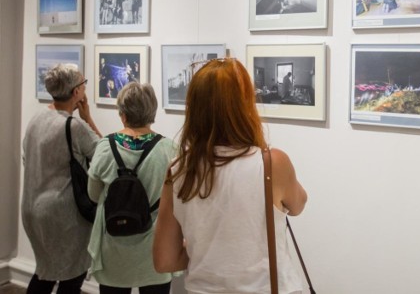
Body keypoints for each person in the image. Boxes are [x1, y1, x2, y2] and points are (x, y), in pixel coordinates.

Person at [153, 59, 307, 293]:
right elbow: (298, 205)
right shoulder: (272, 163)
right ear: (246, 105)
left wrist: (208, 255)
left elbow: (164, 260)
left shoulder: (179, 170)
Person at [22, 64, 102, 294]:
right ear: (76, 92)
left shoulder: (36, 119)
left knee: (45, 272)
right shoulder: (74, 126)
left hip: (32, 209)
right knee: (71, 278)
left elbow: (27, 159)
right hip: (63, 216)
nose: (85, 88)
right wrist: (88, 118)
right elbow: (105, 155)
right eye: (83, 84)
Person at [87, 82, 175, 294]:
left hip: (114, 246)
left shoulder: (105, 147)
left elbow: (93, 194)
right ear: (152, 111)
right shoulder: (169, 149)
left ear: (122, 114)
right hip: (155, 249)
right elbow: (176, 201)